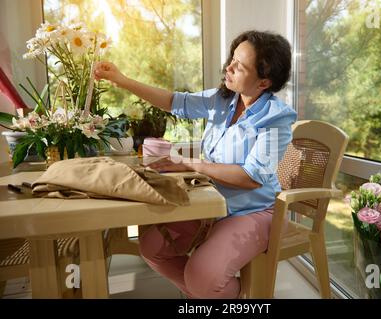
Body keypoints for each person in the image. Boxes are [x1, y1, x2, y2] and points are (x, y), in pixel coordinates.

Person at [94, 30, 298, 299]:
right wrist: (121, 80)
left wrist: (192, 165)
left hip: (255, 212)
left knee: (201, 277)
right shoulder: (223, 99)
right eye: (232, 59)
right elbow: (172, 102)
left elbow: (251, 177)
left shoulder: (276, 119)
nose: (229, 67)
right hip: (212, 204)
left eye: (240, 66)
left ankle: (241, 297)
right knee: (152, 247)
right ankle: (212, 295)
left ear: (263, 82)